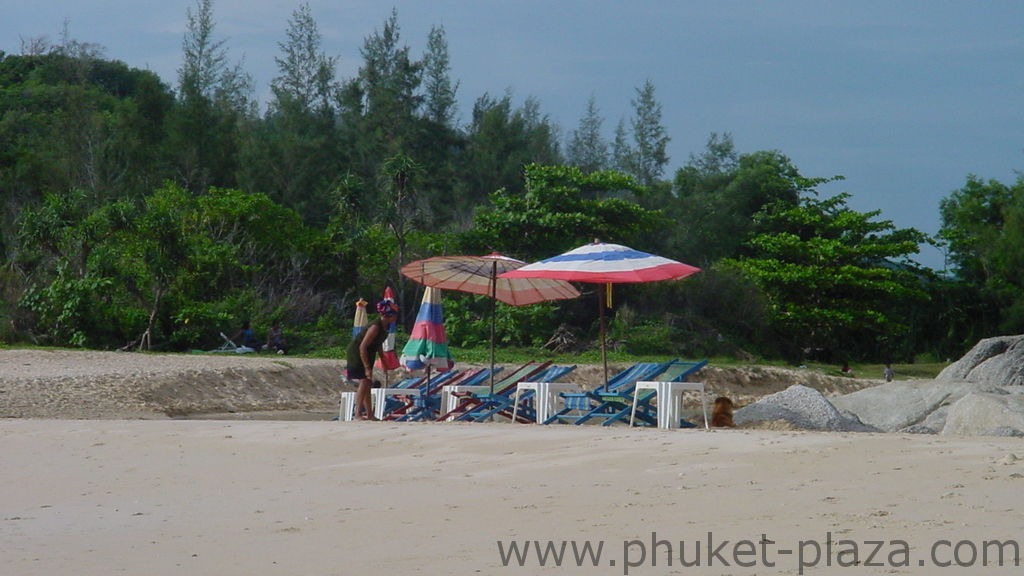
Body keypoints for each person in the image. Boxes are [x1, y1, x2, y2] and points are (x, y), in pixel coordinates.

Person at [346, 298, 399, 420]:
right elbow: (362, 346)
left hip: (368, 353)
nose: (396, 317)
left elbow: (378, 344)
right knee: (364, 381)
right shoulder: (375, 326)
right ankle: (358, 414)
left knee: (368, 383)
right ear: (389, 315)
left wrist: (384, 362)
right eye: (394, 314)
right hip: (358, 353)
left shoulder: (385, 327)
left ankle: (370, 414)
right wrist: (367, 368)